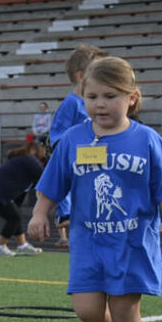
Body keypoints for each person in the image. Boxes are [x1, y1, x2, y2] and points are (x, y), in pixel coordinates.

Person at [27, 56, 162, 322]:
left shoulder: (147, 140)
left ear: (132, 97)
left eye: (110, 96)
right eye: (92, 96)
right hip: (88, 242)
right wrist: (40, 213)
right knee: (86, 310)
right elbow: (53, 182)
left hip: (132, 241)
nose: (100, 104)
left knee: (125, 306)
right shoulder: (73, 139)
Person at [48, 44, 108, 249]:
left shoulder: (99, 103)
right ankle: (65, 213)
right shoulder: (72, 103)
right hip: (81, 155)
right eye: (97, 70)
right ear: (81, 76)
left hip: (97, 157)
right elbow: (57, 138)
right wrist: (76, 150)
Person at [0, 141, 46, 256]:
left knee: (16, 215)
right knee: (14, 218)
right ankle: (0, 246)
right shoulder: (30, 161)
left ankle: (22, 245)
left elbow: (21, 194)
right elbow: (45, 179)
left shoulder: (23, 160)